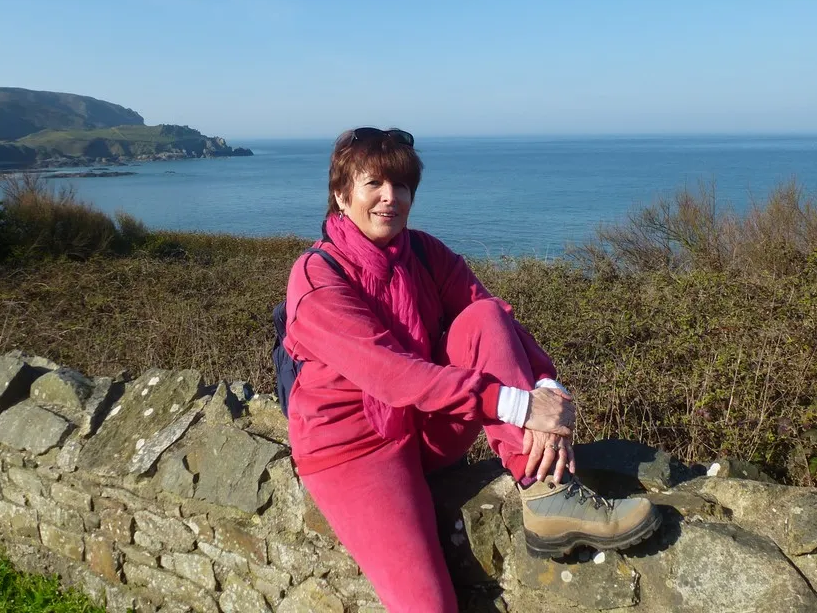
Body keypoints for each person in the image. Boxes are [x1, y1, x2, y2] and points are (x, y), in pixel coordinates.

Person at [282, 127, 661, 612]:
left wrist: (546, 387)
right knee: (429, 605)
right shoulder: (317, 277)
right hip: (354, 447)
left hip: (425, 423)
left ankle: (545, 493)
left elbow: (495, 317)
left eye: (402, 185)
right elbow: (390, 375)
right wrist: (520, 406)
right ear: (341, 194)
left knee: (482, 318)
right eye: (373, 183)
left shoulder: (423, 252)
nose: (390, 197)